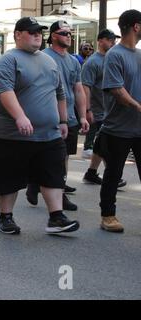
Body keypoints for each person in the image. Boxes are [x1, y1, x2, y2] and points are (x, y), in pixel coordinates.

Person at [0, 17, 79, 235]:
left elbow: (59, 93)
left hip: (48, 134)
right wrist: (20, 116)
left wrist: (63, 120)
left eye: (39, 31)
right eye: (31, 32)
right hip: (12, 135)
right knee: (9, 178)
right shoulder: (8, 60)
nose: (37, 35)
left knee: (53, 174)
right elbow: (4, 92)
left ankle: (56, 217)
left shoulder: (49, 61)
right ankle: (5, 218)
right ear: (17, 35)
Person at [26, 20, 90, 211]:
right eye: (64, 33)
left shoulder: (73, 61)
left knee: (64, 157)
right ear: (54, 36)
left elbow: (78, 90)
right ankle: (39, 185)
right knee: (48, 155)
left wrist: (83, 115)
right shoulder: (42, 56)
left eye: (70, 33)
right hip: (46, 115)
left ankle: (47, 187)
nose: (69, 36)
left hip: (68, 117)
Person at [95, 10, 141, 233]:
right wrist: (138, 106)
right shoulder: (115, 55)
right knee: (113, 174)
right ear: (136, 26)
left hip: (139, 128)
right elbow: (116, 89)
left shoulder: (140, 55)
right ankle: (108, 215)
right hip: (117, 128)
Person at [81, 29, 127, 190]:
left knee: (101, 144)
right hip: (98, 110)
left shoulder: (111, 58)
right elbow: (85, 87)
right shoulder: (93, 62)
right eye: (110, 39)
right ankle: (113, 175)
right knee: (108, 145)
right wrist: (87, 110)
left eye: (114, 39)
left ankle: (91, 172)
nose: (113, 42)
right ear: (100, 41)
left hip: (109, 110)